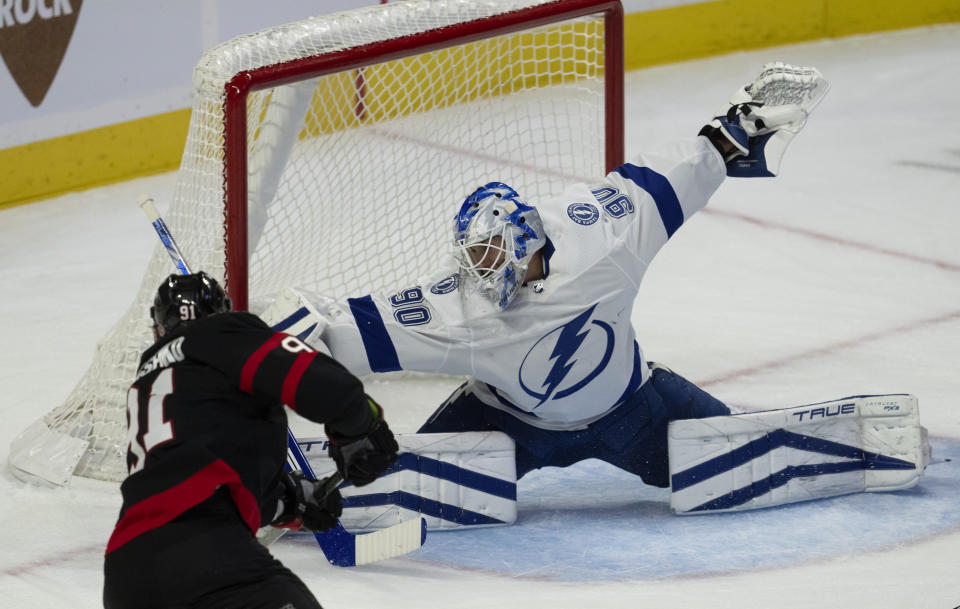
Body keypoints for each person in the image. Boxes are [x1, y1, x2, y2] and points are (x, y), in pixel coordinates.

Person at [263, 64, 832, 493]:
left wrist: (733, 134)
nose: (483, 272)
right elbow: (339, 335)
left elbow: (674, 177)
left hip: (633, 412)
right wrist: (272, 334)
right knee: (396, 480)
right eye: (475, 258)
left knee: (741, 465)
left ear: (527, 240)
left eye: (492, 254)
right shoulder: (457, 308)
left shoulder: (603, 236)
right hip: (507, 428)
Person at [103, 272, 399, 609]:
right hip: (208, 558)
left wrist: (293, 500)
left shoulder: (147, 382)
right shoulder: (220, 334)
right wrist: (363, 426)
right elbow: (319, 382)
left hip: (126, 575)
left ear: (158, 329)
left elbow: (201, 482)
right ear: (223, 313)